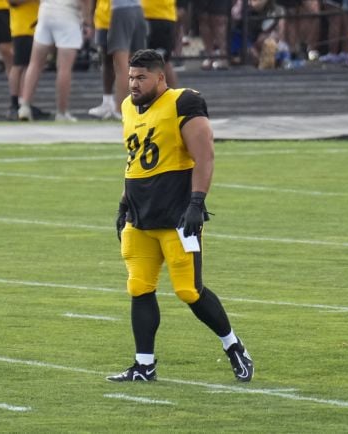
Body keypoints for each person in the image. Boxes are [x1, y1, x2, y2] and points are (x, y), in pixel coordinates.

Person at [107, 49, 253, 383]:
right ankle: (144, 366)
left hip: (176, 215)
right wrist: (123, 202)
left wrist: (197, 203)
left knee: (189, 290)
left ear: (161, 77)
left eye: (141, 77)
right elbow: (135, 161)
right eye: (131, 77)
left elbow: (205, 156)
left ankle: (234, 347)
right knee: (139, 287)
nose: (133, 84)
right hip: (140, 215)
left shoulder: (183, 102)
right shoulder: (128, 107)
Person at [17, 0, 92, 121]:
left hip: (46, 12)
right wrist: (87, 21)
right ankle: (61, 112)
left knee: (35, 63)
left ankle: (24, 106)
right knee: (64, 68)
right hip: (68, 14)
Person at [6, 0, 39, 120]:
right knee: (19, 65)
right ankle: (15, 104)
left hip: (32, 25)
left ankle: (23, 101)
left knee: (27, 65)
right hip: (23, 27)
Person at [87, 0, 120, 120]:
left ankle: (124, 103)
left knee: (125, 62)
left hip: (121, 16)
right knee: (106, 60)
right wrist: (91, 21)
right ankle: (107, 102)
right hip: (103, 19)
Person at [143, 0, 179, 87]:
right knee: (145, 61)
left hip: (160, 16)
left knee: (161, 61)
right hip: (147, 16)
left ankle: (174, 98)